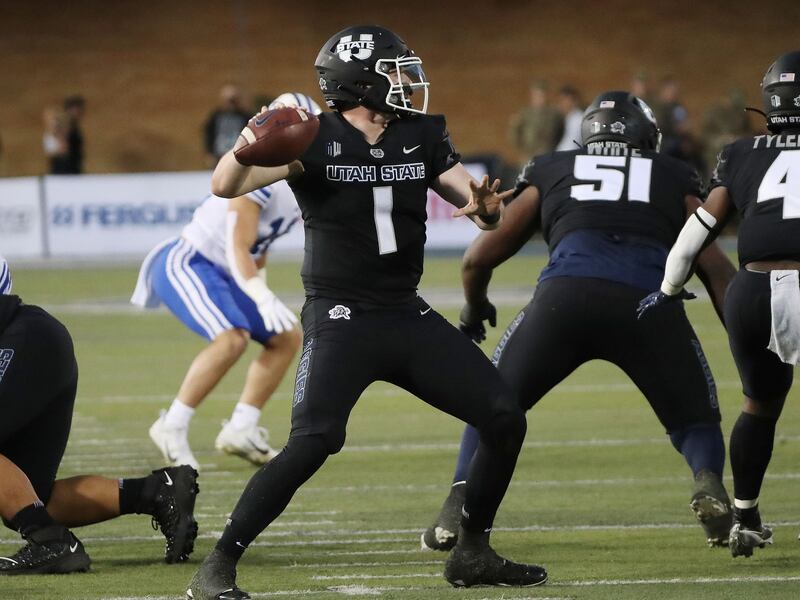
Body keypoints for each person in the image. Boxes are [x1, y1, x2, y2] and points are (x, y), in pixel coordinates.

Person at [186, 25, 547, 600]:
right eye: (395, 72)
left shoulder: (422, 133)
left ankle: (473, 551)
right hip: (340, 316)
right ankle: (219, 564)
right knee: (315, 439)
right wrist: (244, 144)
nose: (408, 83)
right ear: (359, 82)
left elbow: (478, 211)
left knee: (504, 416)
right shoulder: (310, 137)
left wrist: (485, 210)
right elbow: (225, 185)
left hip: (404, 312)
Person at [422, 91, 738, 554]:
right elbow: (715, 269)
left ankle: (458, 498)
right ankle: (708, 480)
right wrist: (745, 335)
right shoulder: (672, 174)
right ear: (648, 137)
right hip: (647, 303)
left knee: (493, 403)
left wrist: (474, 308)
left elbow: (478, 257)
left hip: (564, 299)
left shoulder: (553, 167)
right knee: (695, 421)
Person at [638, 50, 800, 558]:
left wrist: (667, 291)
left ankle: (746, 516)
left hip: (751, 292)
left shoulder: (742, 152)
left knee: (759, 405)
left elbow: (698, 232)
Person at [132, 94, 320, 471]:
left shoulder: (298, 173)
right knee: (232, 338)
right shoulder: (264, 171)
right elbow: (238, 242)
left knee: (285, 337)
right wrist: (259, 294)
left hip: (228, 269)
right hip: (190, 260)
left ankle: (242, 427)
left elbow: (259, 245)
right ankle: (171, 424)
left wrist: (259, 284)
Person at [0, 255, 198, 575]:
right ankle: (156, 492)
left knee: (24, 500)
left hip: (24, 341)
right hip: (34, 341)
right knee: (30, 496)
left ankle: (51, 542)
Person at [508, 80, 563, 166]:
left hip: (547, 153)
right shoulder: (525, 113)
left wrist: (552, 146)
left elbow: (560, 132)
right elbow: (515, 132)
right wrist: (523, 147)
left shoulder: (554, 114)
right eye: (537, 95)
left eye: (542, 95)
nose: (540, 98)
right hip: (528, 155)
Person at [204, 84, 251, 167]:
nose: (231, 104)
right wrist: (209, 153)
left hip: (238, 154)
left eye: (233, 100)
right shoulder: (216, 116)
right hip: (219, 155)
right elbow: (209, 134)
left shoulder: (244, 116)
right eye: (229, 100)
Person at [555, 85, 583, 151]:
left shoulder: (578, 119)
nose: (560, 104)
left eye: (563, 100)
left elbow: (570, 145)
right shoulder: (568, 118)